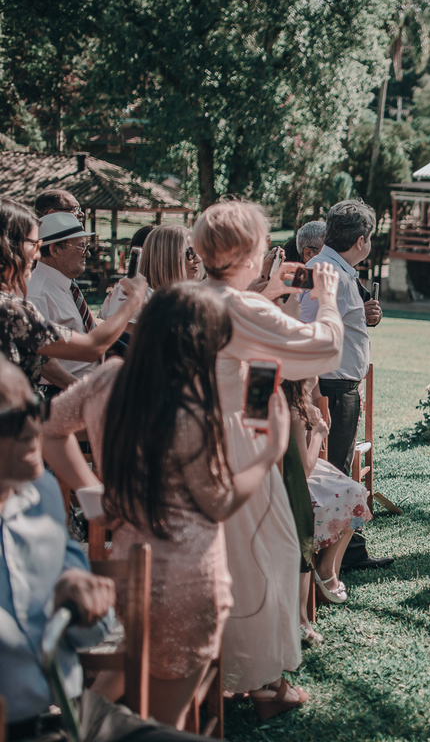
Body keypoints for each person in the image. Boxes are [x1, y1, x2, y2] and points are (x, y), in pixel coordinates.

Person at [44, 284, 293, 725]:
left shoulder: (107, 378)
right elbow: (218, 505)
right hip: (189, 581)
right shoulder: (193, 403)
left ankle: (74, 724)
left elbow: (50, 430)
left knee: (120, 688)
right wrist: (268, 454)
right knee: (164, 726)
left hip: (127, 574)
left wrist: (93, 496)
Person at [0, 357, 213, 742]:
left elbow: (93, 631)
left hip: (73, 712)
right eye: (13, 421)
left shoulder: (42, 493)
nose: (33, 429)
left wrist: (78, 598)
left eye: (34, 410)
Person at [191, 199, 344, 711]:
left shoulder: (193, 299)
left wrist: (272, 294)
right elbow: (321, 353)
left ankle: (226, 671)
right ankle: (261, 684)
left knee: (226, 561)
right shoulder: (242, 308)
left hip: (197, 439)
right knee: (266, 557)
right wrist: (326, 299)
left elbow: (251, 371)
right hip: (237, 448)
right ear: (247, 252)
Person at [297, 200, 391, 571]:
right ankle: (332, 561)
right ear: (362, 240)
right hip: (330, 388)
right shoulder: (323, 272)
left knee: (340, 471)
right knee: (335, 474)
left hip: (340, 385)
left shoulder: (338, 269)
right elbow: (305, 325)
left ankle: (346, 553)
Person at [0, 203, 146, 398]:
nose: (36, 254)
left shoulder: (62, 288)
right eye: (34, 244)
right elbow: (90, 347)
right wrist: (133, 301)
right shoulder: (18, 306)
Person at [281, 379, 372, 631]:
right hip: (293, 486)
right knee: (357, 497)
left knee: (352, 490)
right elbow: (305, 470)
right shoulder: (292, 414)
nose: (317, 378)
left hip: (279, 477)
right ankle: (326, 571)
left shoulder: (282, 403)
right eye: (313, 375)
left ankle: (327, 570)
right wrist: (317, 435)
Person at [26, 213, 103, 393]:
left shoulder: (65, 285)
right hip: (61, 393)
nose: (88, 253)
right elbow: (43, 362)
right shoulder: (37, 293)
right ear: (54, 250)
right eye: (82, 247)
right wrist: (84, 392)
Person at [99, 224, 199, 322]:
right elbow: (126, 337)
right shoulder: (132, 294)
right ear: (167, 256)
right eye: (191, 252)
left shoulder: (169, 294)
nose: (198, 259)